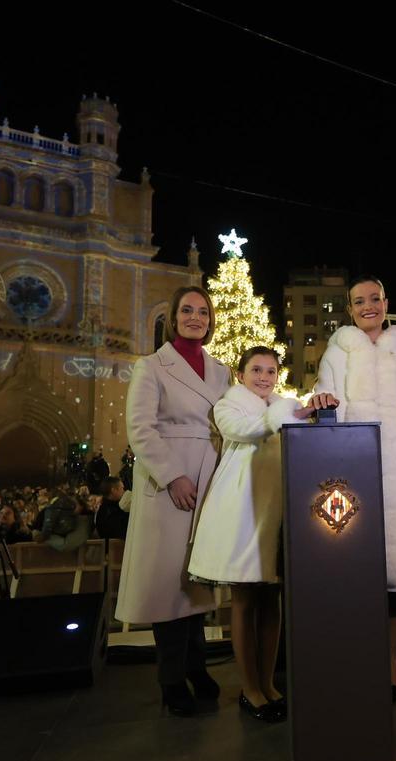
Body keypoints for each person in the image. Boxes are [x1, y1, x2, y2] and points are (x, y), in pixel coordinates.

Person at [309, 275, 396, 702]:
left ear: (386, 301)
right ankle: (356, 659)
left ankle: (390, 660)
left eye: (374, 299)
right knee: (357, 573)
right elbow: (325, 397)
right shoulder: (338, 349)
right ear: (350, 307)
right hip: (355, 473)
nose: (368, 307)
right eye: (359, 301)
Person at [116, 285, 231, 717]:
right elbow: (140, 428)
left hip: (206, 478)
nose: (195, 317)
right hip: (168, 484)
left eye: (203, 311)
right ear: (173, 317)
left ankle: (197, 667)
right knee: (168, 587)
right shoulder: (151, 366)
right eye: (187, 310)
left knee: (195, 583)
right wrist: (173, 476)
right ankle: (170, 680)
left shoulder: (220, 371)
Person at [189, 348, 317, 722]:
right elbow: (245, 430)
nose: (264, 376)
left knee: (272, 600)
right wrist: (287, 413)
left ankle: (268, 682)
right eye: (256, 370)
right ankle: (249, 688)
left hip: (277, 513)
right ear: (241, 373)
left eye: (271, 370)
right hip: (241, 512)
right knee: (244, 601)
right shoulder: (229, 406)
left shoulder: (281, 407)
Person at [94, 476, 131, 540]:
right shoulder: (111, 511)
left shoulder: (105, 507)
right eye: (122, 488)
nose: (124, 491)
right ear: (113, 490)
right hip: (118, 546)